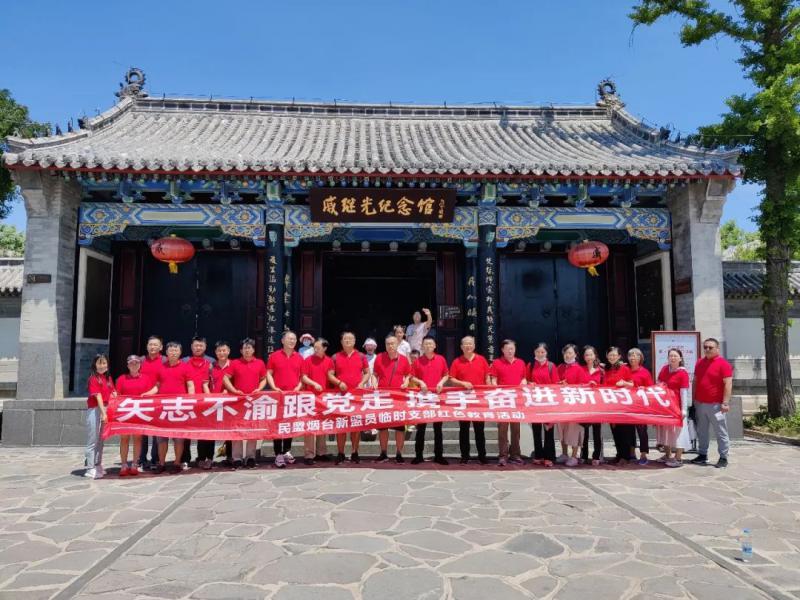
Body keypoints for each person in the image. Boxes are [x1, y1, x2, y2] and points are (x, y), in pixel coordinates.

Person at [151, 342, 195, 474]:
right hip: (163, 407)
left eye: (176, 350)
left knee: (178, 438)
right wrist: (146, 394)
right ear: (166, 352)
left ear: (180, 352)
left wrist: (192, 401)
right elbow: (157, 387)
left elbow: (190, 385)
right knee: (161, 438)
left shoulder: (186, 367)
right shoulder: (161, 367)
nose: (173, 353)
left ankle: (177, 462)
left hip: (179, 407)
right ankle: (161, 463)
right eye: (171, 350)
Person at [223, 338, 267, 468]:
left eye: (249, 348)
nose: (247, 350)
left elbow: (264, 379)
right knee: (237, 428)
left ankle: (250, 457)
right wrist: (234, 390)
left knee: (252, 428)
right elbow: (226, 378)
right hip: (239, 401)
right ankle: (237, 457)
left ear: (253, 349)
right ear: (241, 350)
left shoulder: (259, 363)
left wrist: (259, 389)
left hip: (254, 401)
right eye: (244, 348)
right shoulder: (235, 363)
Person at [691, 338, 733, 468]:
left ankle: (723, 457)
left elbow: (728, 384)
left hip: (716, 405)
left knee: (721, 432)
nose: (707, 349)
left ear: (717, 349)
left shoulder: (723, 364)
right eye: (705, 347)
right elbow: (695, 381)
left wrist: (725, 402)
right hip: (700, 403)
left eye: (710, 347)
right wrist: (693, 400)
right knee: (702, 431)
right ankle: (702, 454)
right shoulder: (699, 362)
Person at [330, 331, 372, 464]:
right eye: (345, 339)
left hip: (356, 397)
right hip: (341, 396)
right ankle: (341, 453)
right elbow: (330, 374)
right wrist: (339, 383)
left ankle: (355, 452)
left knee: (356, 426)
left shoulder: (361, 356)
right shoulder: (335, 357)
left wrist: (362, 383)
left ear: (354, 341)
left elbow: (367, 372)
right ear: (341, 342)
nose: (348, 341)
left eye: (350, 339)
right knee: (341, 426)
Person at [449, 335, 490, 465]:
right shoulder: (457, 361)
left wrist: (489, 390)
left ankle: (482, 456)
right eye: (465, 344)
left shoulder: (481, 359)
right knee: (464, 429)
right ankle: (464, 456)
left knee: (479, 429)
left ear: (474, 346)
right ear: (461, 347)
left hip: (478, 400)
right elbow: (452, 379)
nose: (468, 346)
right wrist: (463, 383)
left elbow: (487, 376)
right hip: (463, 400)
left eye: (470, 343)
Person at [409, 335, 450, 465]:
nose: (428, 346)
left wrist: (441, 382)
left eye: (430, 344)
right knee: (421, 428)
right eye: (426, 344)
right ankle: (418, 455)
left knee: (438, 428)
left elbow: (446, 375)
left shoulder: (441, 359)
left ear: (435, 346)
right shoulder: (418, 361)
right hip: (423, 398)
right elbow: (411, 377)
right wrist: (420, 382)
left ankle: (439, 455)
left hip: (437, 397)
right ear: (422, 346)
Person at [266, 330, 304, 468]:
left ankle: (287, 450)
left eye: (294, 339)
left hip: (292, 397)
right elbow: (269, 373)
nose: (292, 341)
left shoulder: (299, 357)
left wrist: (298, 388)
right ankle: (278, 454)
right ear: (282, 341)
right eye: (289, 338)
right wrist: (274, 387)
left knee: (290, 424)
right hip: (278, 395)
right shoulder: (274, 356)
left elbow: (303, 377)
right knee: (278, 425)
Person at [373, 334, 412, 463]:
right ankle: (383, 452)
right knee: (382, 427)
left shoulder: (403, 359)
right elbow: (375, 374)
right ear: (385, 345)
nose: (390, 346)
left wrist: (406, 382)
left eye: (393, 343)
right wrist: (374, 382)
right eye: (388, 344)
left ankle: (399, 453)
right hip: (383, 397)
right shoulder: (379, 357)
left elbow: (409, 374)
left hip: (398, 397)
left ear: (397, 344)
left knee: (399, 427)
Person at [115, 355, 156, 476]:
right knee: (124, 439)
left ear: (140, 365)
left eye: (136, 363)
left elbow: (151, 393)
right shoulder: (121, 379)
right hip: (125, 413)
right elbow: (117, 395)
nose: (134, 365)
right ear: (127, 365)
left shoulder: (146, 378)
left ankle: (134, 463)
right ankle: (124, 464)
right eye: (131, 363)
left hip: (139, 413)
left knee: (138, 439)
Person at [489, 339, 527, 467]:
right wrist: (496, 391)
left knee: (516, 430)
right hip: (503, 401)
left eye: (512, 349)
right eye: (507, 349)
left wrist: (523, 384)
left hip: (516, 401)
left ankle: (515, 455)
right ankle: (503, 455)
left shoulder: (520, 363)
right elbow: (494, 380)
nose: (510, 351)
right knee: (502, 430)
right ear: (502, 350)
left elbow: (524, 378)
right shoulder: (496, 363)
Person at [300, 337, 335, 465]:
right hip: (310, 397)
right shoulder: (308, 360)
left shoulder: (329, 361)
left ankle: (321, 452)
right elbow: (303, 377)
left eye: (318, 348)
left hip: (324, 397)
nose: (315, 349)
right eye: (314, 347)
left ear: (324, 348)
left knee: (322, 425)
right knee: (310, 425)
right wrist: (314, 384)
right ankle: (309, 454)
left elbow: (331, 376)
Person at [656, 348, 692, 468]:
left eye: (675, 356)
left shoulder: (683, 373)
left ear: (680, 358)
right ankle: (667, 455)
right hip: (666, 406)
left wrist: (684, 409)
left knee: (679, 432)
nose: (672, 358)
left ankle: (678, 457)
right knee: (666, 431)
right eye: (670, 356)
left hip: (677, 406)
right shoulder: (664, 369)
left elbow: (684, 392)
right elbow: (658, 382)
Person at [557, 343, 589, 467]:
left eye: (570, 353)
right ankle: (564, 453)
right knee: (562, 430)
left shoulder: (579, 369)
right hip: (562, 404)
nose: (567, 355)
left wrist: (569, 386)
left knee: (574, 431)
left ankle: (574, 455)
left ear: (575, 354)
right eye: (565, 353)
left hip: (575, 405)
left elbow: (583, 386)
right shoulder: (560, 367)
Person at [527, 342, 559, 467]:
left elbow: (556, 385)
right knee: (536, 430)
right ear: (534, 352)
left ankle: (549, 457)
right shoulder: (530, 366)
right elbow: (526, 381)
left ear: (546, 353)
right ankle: (538, 455)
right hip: (535, 402)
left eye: (542, 352)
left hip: (548, 403)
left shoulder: (551, 366)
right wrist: (529, 384)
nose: (540, 354)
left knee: (548, 430)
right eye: (538, 352)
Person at [184, 336, 213, 469]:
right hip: (188, 402)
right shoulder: (184, 361)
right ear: (191, 346)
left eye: (201, 345)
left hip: (206, 402)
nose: (198, 348)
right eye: (196, 345)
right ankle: (185, 458)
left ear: (205, 347)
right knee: (186, 432)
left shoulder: (211, 362)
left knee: (206, 431)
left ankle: (204, 457)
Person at [85, 354, 115, 479]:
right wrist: (103, 413)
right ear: (95, 365)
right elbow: (98, 397)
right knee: (93, 439)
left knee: (101, 439)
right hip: (95, 409)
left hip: (106, 409)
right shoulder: (93, 378)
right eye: (99, 363)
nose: (102, 366)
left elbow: (113, 392)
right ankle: (89, 467)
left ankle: (98, 464)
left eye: (104, 363)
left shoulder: (108, 378)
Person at [137, 335, 165, 470]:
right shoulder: (140, 360)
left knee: (156, 432)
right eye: (150, 344)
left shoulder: (165, 361)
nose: (153, 347)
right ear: (147, 346)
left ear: (161, 347)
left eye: (155, 344)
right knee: (142, 431)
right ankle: (141, 459)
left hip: (159, 400)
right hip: (142, 400)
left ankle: (155, 459)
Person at [604, 346, 634, 465]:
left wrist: (624, 383)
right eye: (610, 355)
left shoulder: (625, 368)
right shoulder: (606, 369)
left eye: (614, 355)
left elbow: (632, 384)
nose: (612, 357)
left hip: (622, 406)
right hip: (611, 405)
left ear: (619, 356)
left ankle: (625, 456)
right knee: (615, 431)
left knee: (624, 431)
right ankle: (619, 454)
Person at [209, 341, 235, 468]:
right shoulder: (211, 366)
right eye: (219, 351)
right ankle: (208, 457)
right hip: (213, 403)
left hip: (230, 403)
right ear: (215, 352)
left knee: (230, 430)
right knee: (210, 431)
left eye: (224, 350)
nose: (222, 353)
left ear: (228, 351)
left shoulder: (234, 365)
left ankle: (230, 456)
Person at [627, 347, 654, 465]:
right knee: (629, 431)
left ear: (640, 358)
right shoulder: (625, 370)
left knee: (642, 431)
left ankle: (643, 454)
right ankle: (632, 453)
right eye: (630, 355)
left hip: (640, 407)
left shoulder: (645, 372)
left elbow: (650, 389)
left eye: (635, 355)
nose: (632, 358)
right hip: (628, 406)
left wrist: (644, 389)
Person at [581, 345, 604, 466]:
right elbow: (577, 385)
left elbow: (606, 387)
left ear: (595, 355)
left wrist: (597, 386)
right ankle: (583, 455)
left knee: (597, 431)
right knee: (584, 432)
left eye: (591, 354)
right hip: (584, 404)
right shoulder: (581, 369)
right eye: (586, 355)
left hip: (597, 404)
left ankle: (596, 455)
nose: (589, 357)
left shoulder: (601, 371)